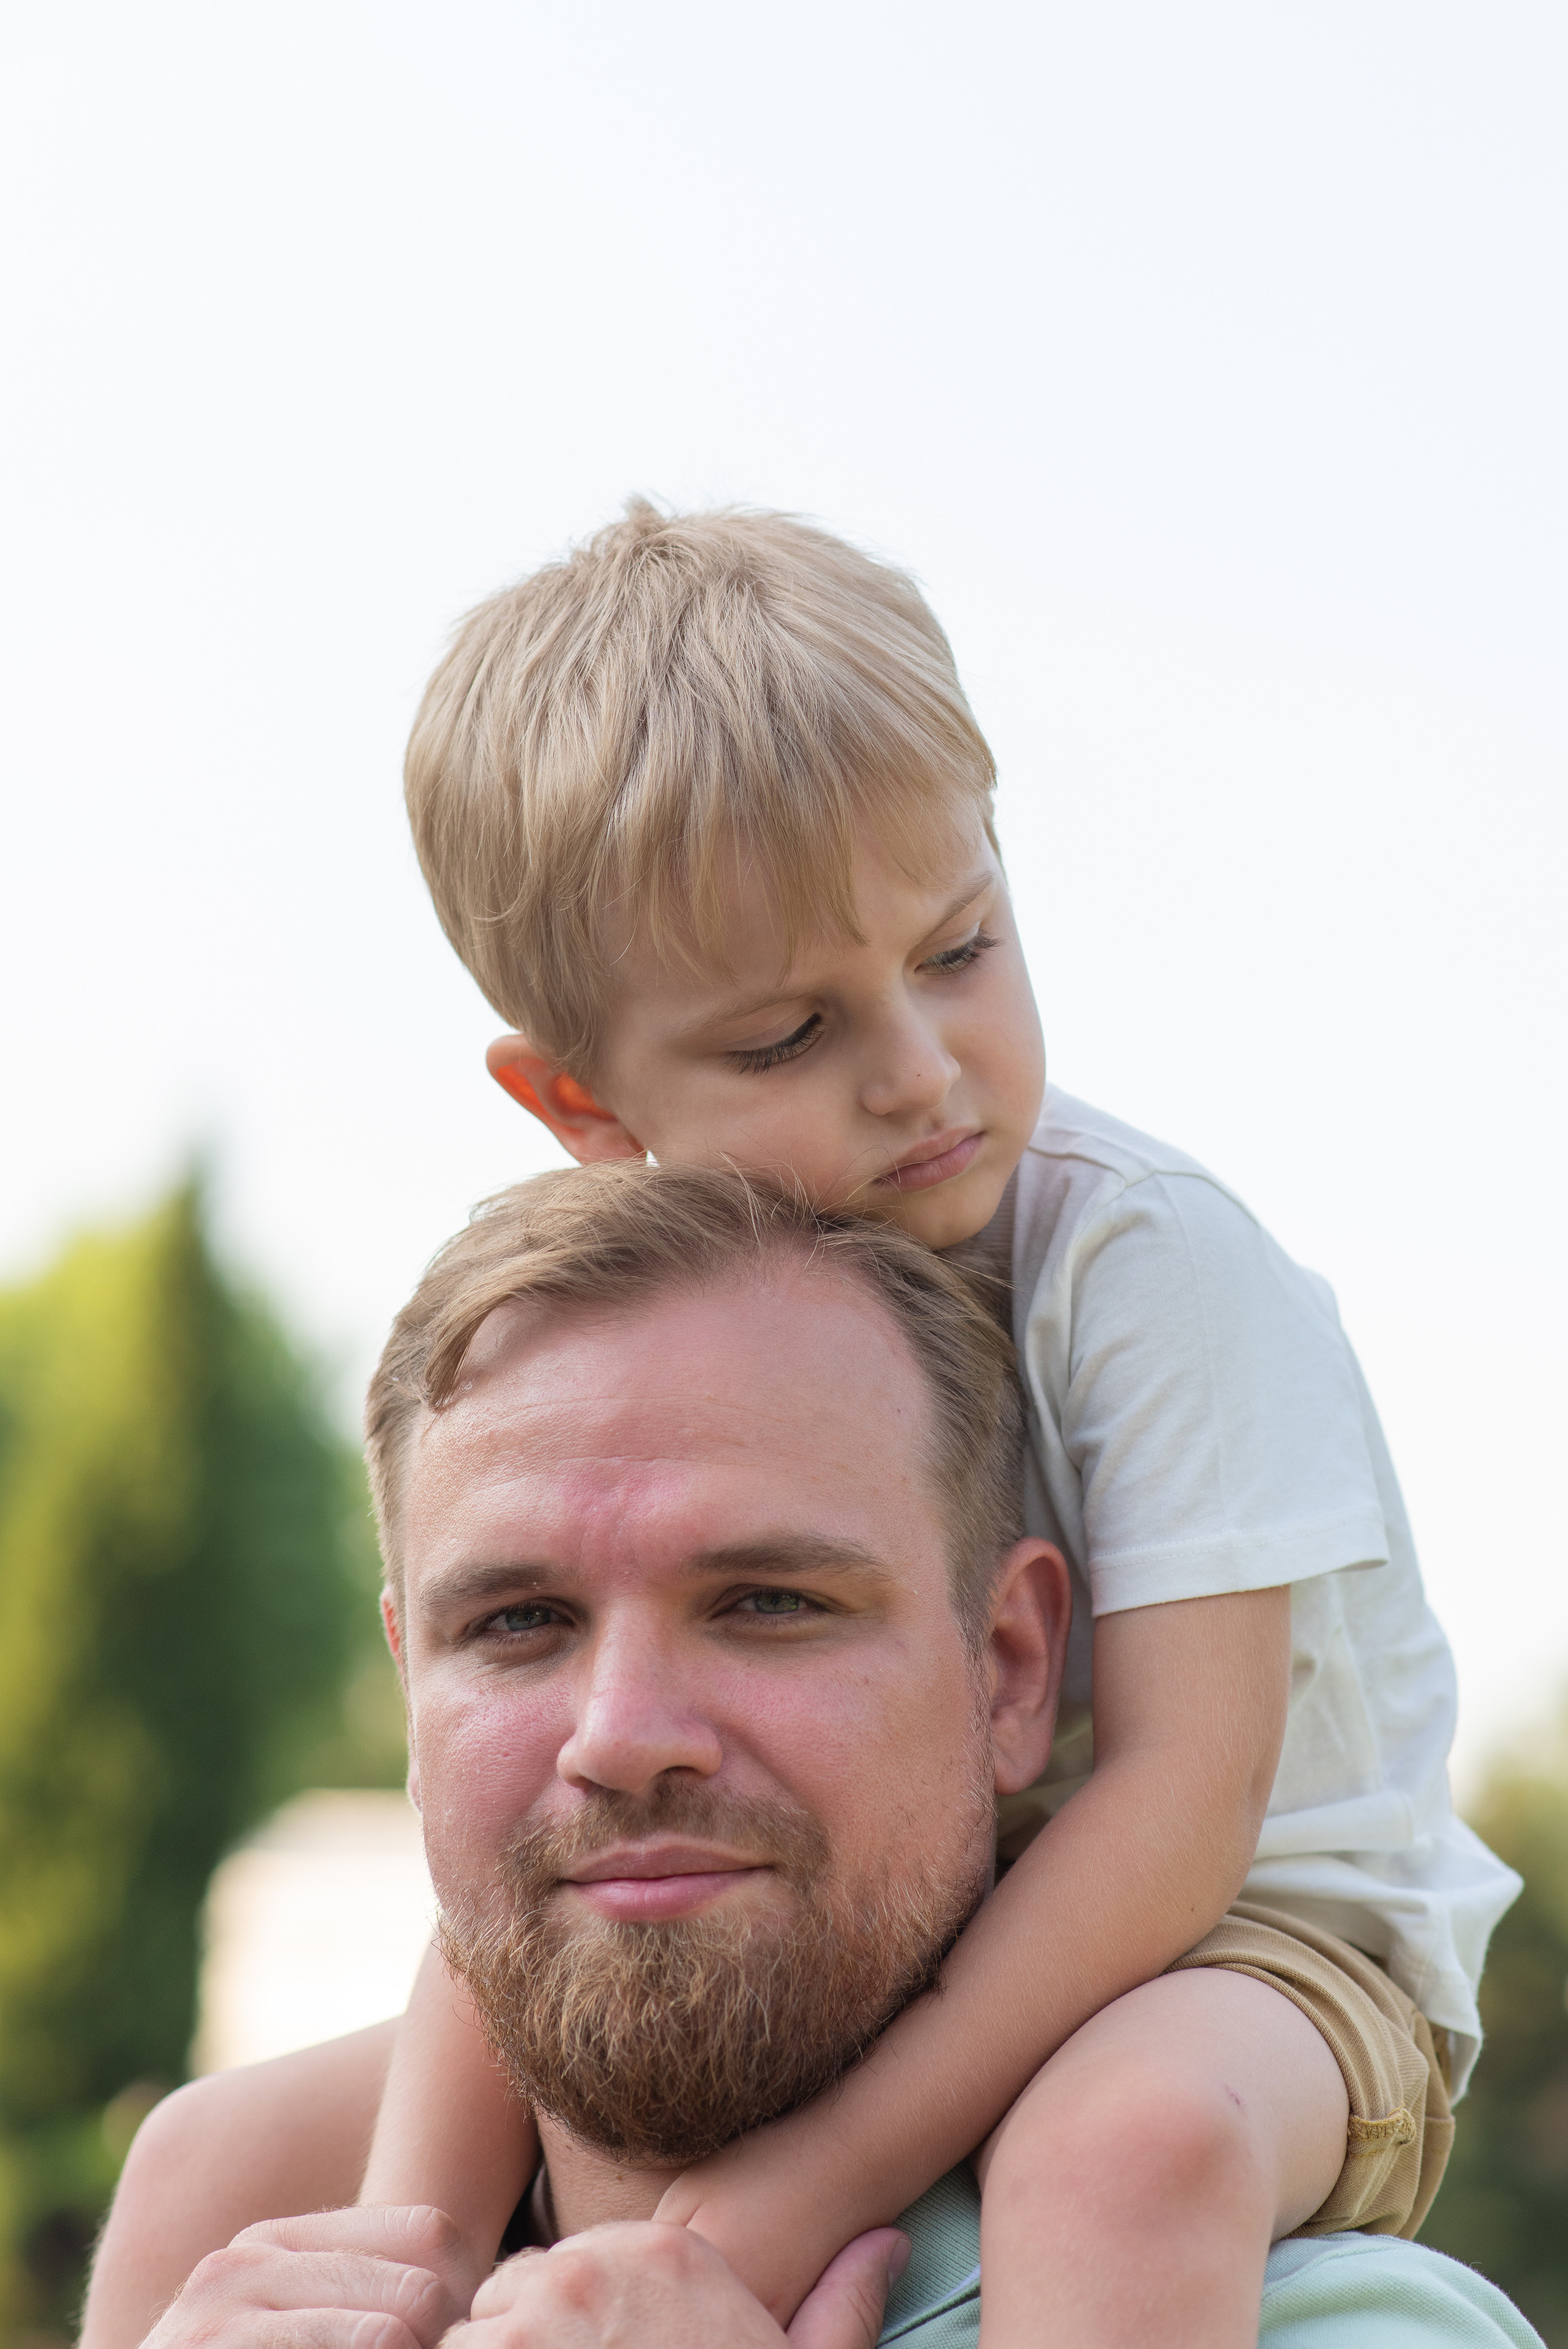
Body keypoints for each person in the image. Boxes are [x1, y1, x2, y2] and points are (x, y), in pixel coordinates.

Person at [354, 502, 1519, 2342]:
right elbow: (512, 1834)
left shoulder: (1146, 1263)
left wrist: (768, 2210)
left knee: (1116, 2157)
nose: (917, 1069)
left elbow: (1182, 1806)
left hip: (1255, 1941)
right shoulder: (686, 1329)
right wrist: (400, 2252)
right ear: (580, 1098)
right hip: (903, 1909)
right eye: (786, 1038)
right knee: (212, 2151)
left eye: (960, 949)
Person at [86, 1168, 1542, 2349]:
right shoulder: (223, 2278)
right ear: (410, 1683)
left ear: (1012, 1667)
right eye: (518, 1620)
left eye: (770, 1602)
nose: (622, 1735)